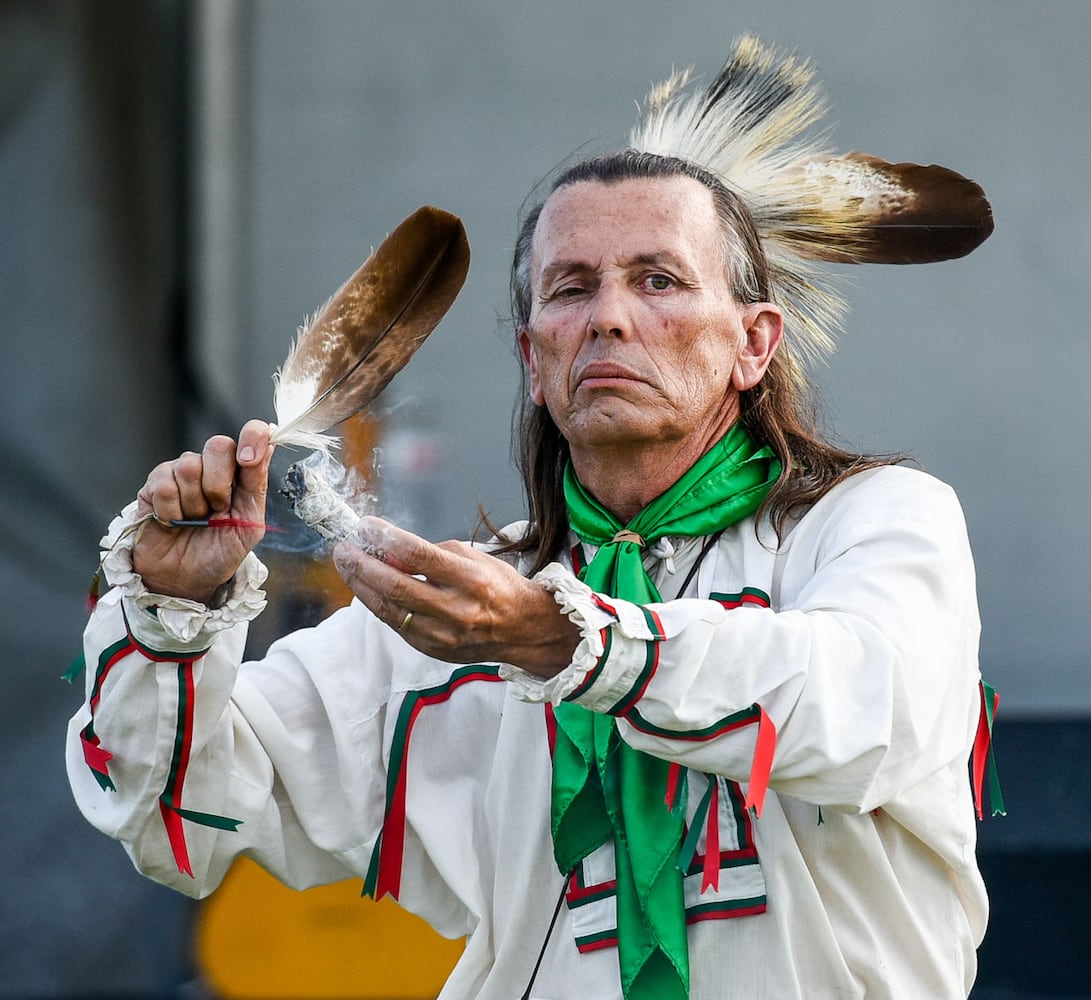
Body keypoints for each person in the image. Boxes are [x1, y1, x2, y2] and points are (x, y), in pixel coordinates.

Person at [68, 37, 994, 1000]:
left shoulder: (870, 523)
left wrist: (570, 644)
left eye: (658, 280)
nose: (607, 316)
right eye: (570, 287)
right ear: (531, 357)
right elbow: (179, 814)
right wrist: (171, 620)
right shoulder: (460, 611)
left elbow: (867, 709)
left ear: (753, 343)